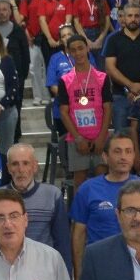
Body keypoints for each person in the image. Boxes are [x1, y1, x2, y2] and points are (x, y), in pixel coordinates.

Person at [70, 134, 140, 280]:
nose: (123, 157)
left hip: (138, 267)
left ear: (134, 155)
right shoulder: (87, 189)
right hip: (99, 268)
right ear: (105, 157)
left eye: (128, 151)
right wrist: (78, 275)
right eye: (117, 151)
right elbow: (78, 234)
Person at [6, 143, 72, 274]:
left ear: (35, 166)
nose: (20, 169)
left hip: (44, 271)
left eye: (26, 163)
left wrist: (66, 277)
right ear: (8, 168)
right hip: (7, 272)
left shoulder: (52, 195)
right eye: (15, 164)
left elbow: (63, 242)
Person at [58, 35, 114, 188]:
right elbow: (63, 112)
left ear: (87, 48)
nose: (78, 53)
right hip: (77, 139)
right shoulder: (65, 80)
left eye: (81, 48)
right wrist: (78, 139)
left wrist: (102, 137)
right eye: (73, 50)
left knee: (103, 181)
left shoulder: (102, 77)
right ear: (69, 53)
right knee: (80, 183)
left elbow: (108, 108)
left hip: (99, 136)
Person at [103, 4, 140, 132]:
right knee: (121, 136)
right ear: (123, 18)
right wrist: (131, 86)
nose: (133, 19)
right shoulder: (113, 40)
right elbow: (110, 68)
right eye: (129, 16)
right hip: (121, 95)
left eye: (136, 16)